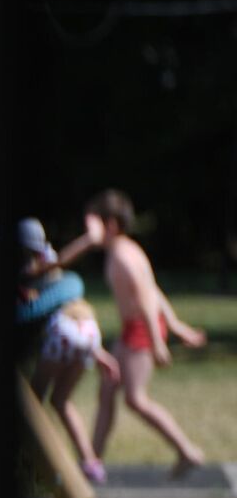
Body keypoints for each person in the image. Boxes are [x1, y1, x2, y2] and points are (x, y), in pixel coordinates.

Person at [55, 190, 207, 477]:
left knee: (135, 399)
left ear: (110, 224)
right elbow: (153, 289)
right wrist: (175, 324)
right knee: (108, 387)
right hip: (133, 329)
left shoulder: (124, 256)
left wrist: (158, 340)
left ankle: (187, 451)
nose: (89, 229)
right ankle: (93, 460)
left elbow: (148, 299)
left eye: (94, 223)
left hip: (141, 331)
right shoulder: (124, 250)